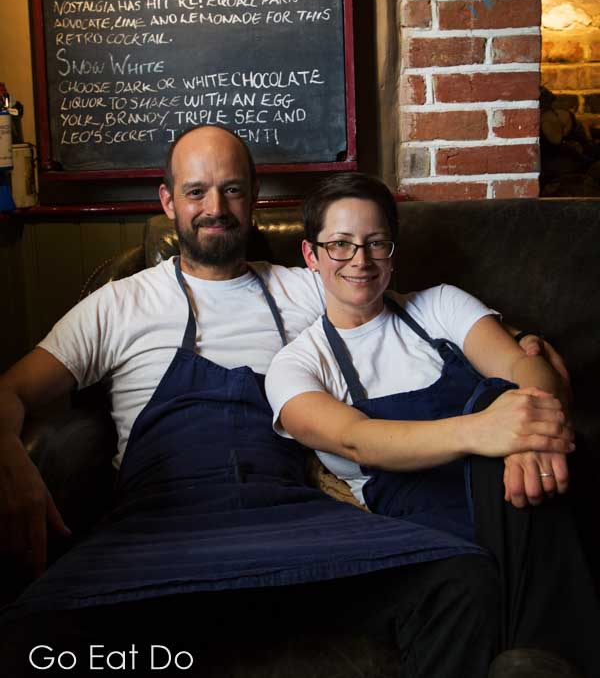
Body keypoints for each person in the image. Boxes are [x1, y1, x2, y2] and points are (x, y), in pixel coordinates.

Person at [0, 127, 578, 678]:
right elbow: (10, 389)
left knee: (460, 581)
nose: (215, 207)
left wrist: (522, 352)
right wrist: (15, 464)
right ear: (168, 202)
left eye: (232, 189)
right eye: (196, 191)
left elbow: (395, 305)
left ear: (254, 200)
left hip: (293, 513)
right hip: (162, 523)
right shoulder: (116, 305)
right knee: (32, 635)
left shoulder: (304, 282)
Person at [265, 171, 600, 677]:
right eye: (340, 245)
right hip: (432, 531)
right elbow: (359, 440)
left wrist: (528, 429)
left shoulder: (439, 304)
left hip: (526, 493)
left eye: (376, 242)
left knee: (503, 393)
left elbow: (525, 368)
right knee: (496, 404)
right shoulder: (296, 366)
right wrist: (483, 430)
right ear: (311, 256)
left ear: (392, 250)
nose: (360, 259)